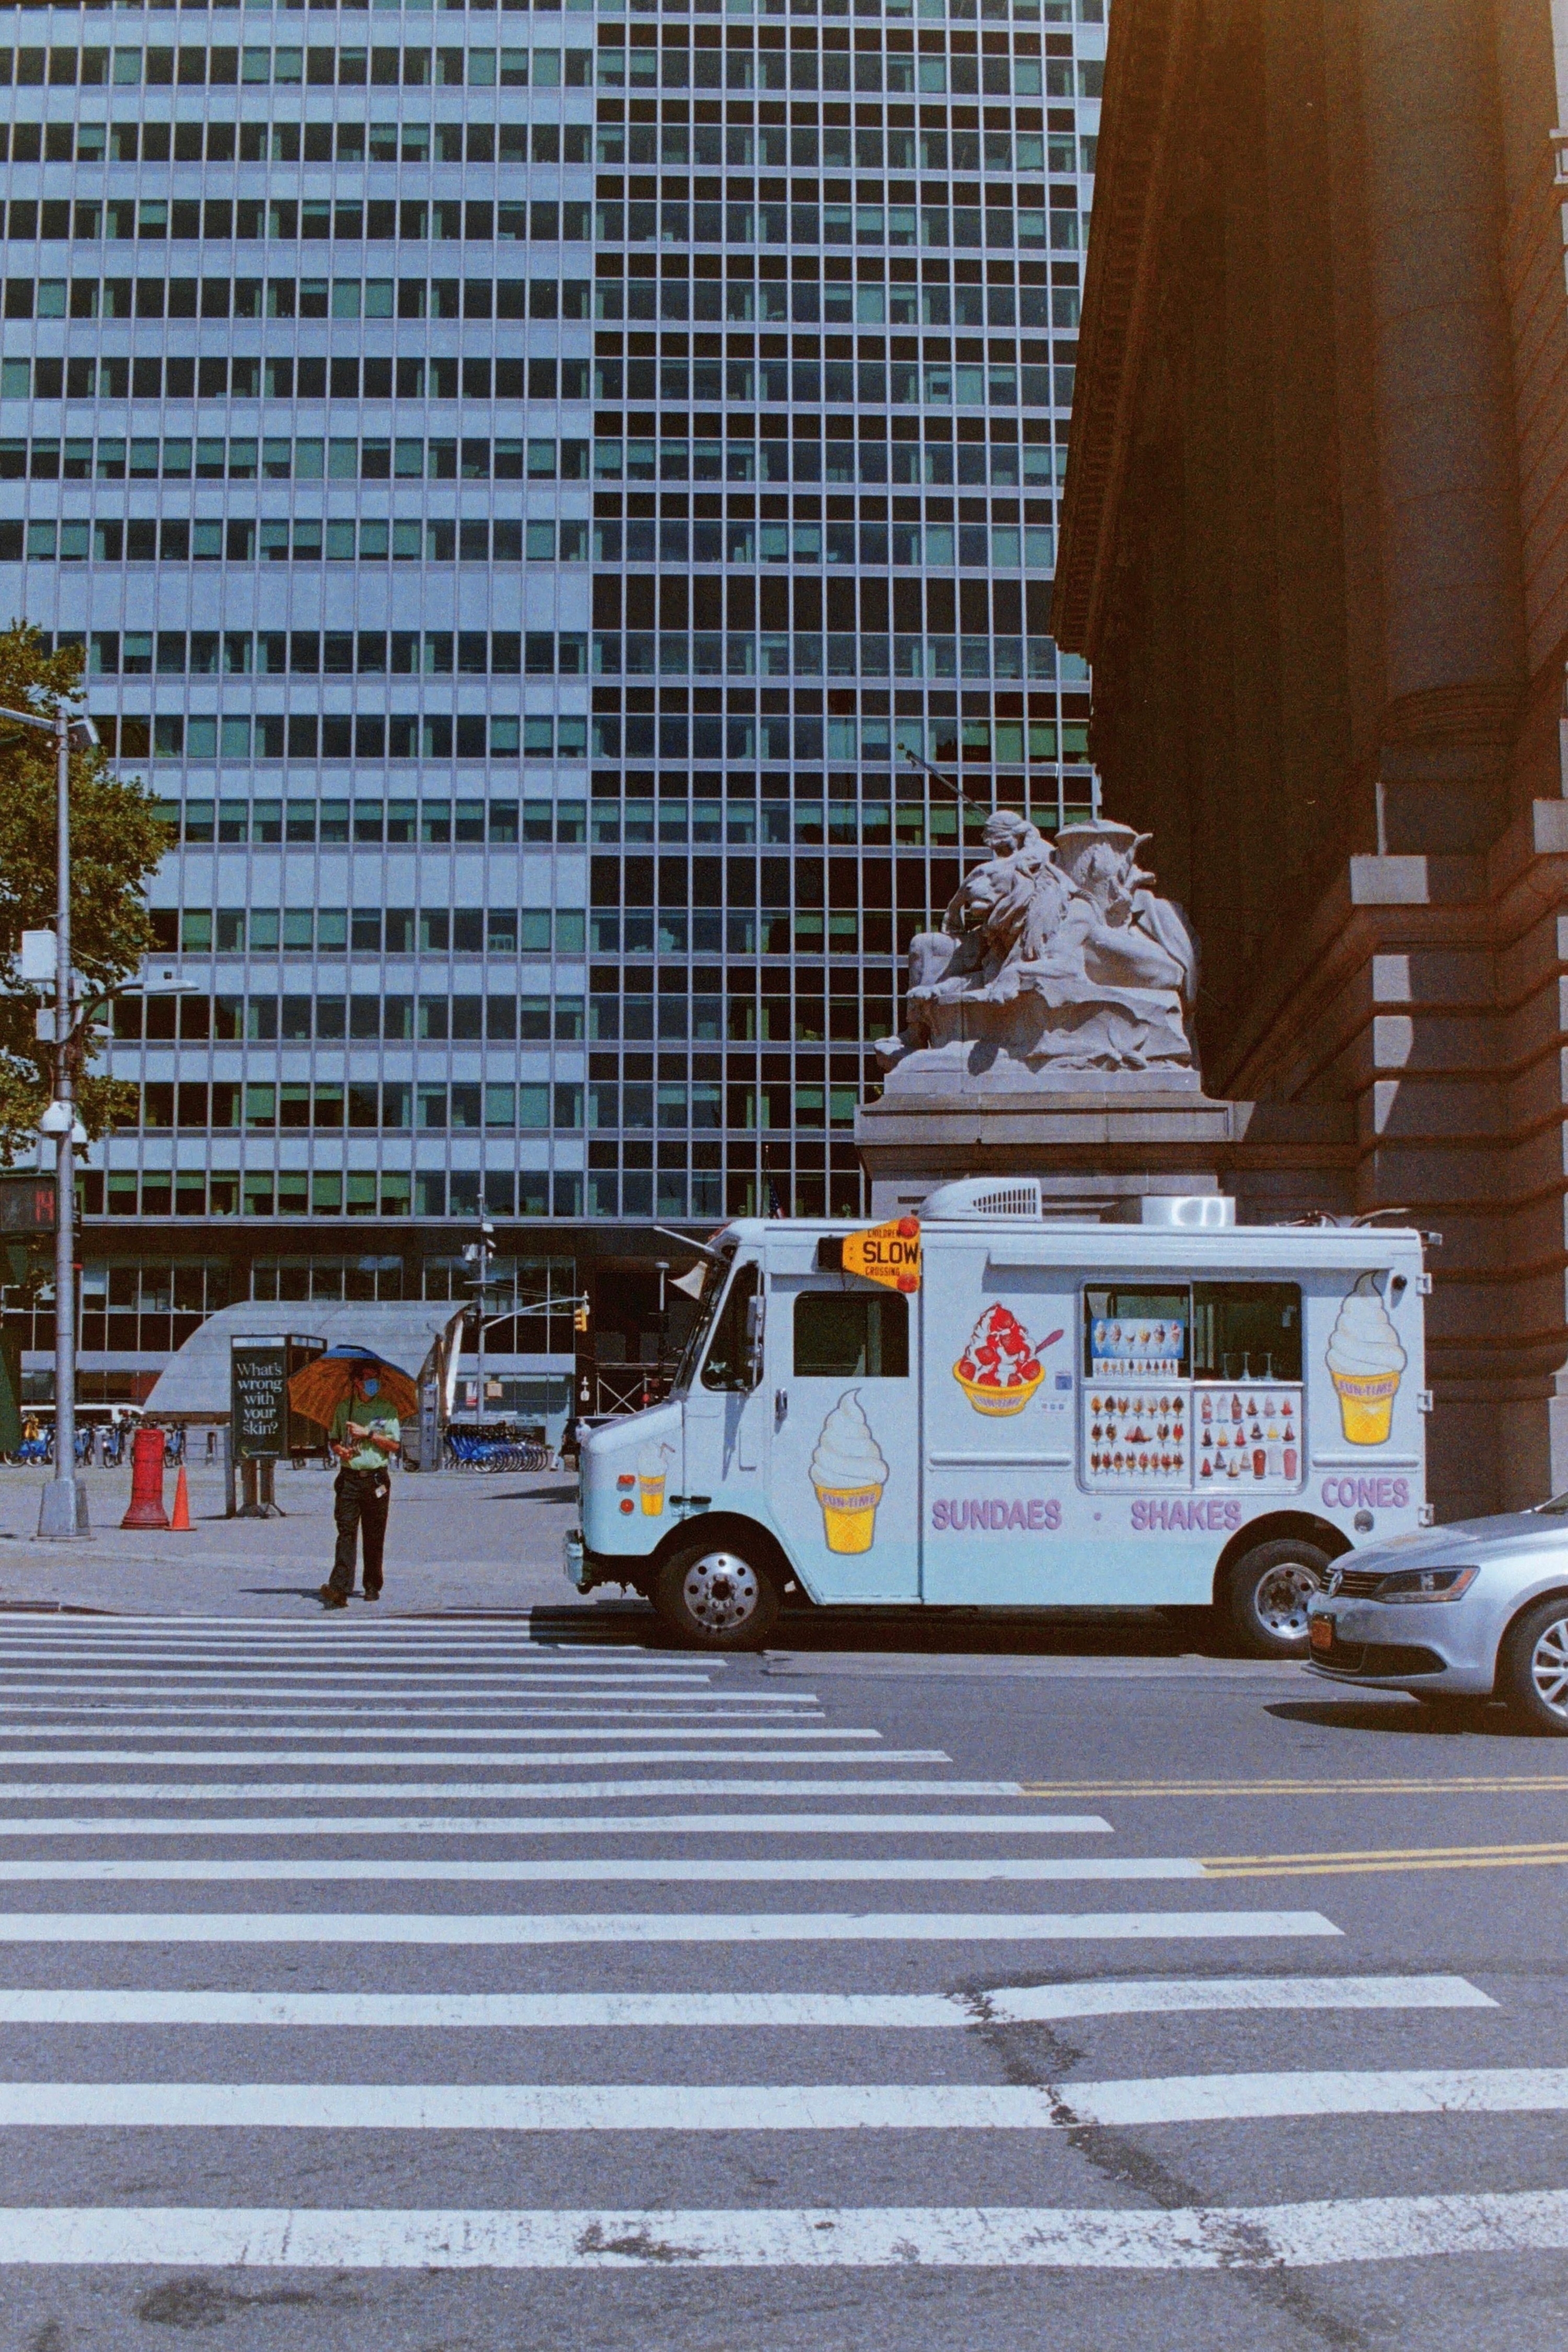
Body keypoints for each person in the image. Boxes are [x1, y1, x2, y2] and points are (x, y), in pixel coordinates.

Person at [319, 1368, 401, 1609]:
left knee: (374, 1533)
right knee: (346, 1532)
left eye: (375, 1378)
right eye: (367, 1379)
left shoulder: (387, 1410)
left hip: (376, 1479)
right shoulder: (344, 1408)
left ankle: (373, 1584)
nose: (373, 1383)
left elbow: (394, 1445)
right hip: (349, 1478)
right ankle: (340, 1587)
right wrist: (339, 1451)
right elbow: (333, 1438)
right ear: (357, 1383)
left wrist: (369, 1434)